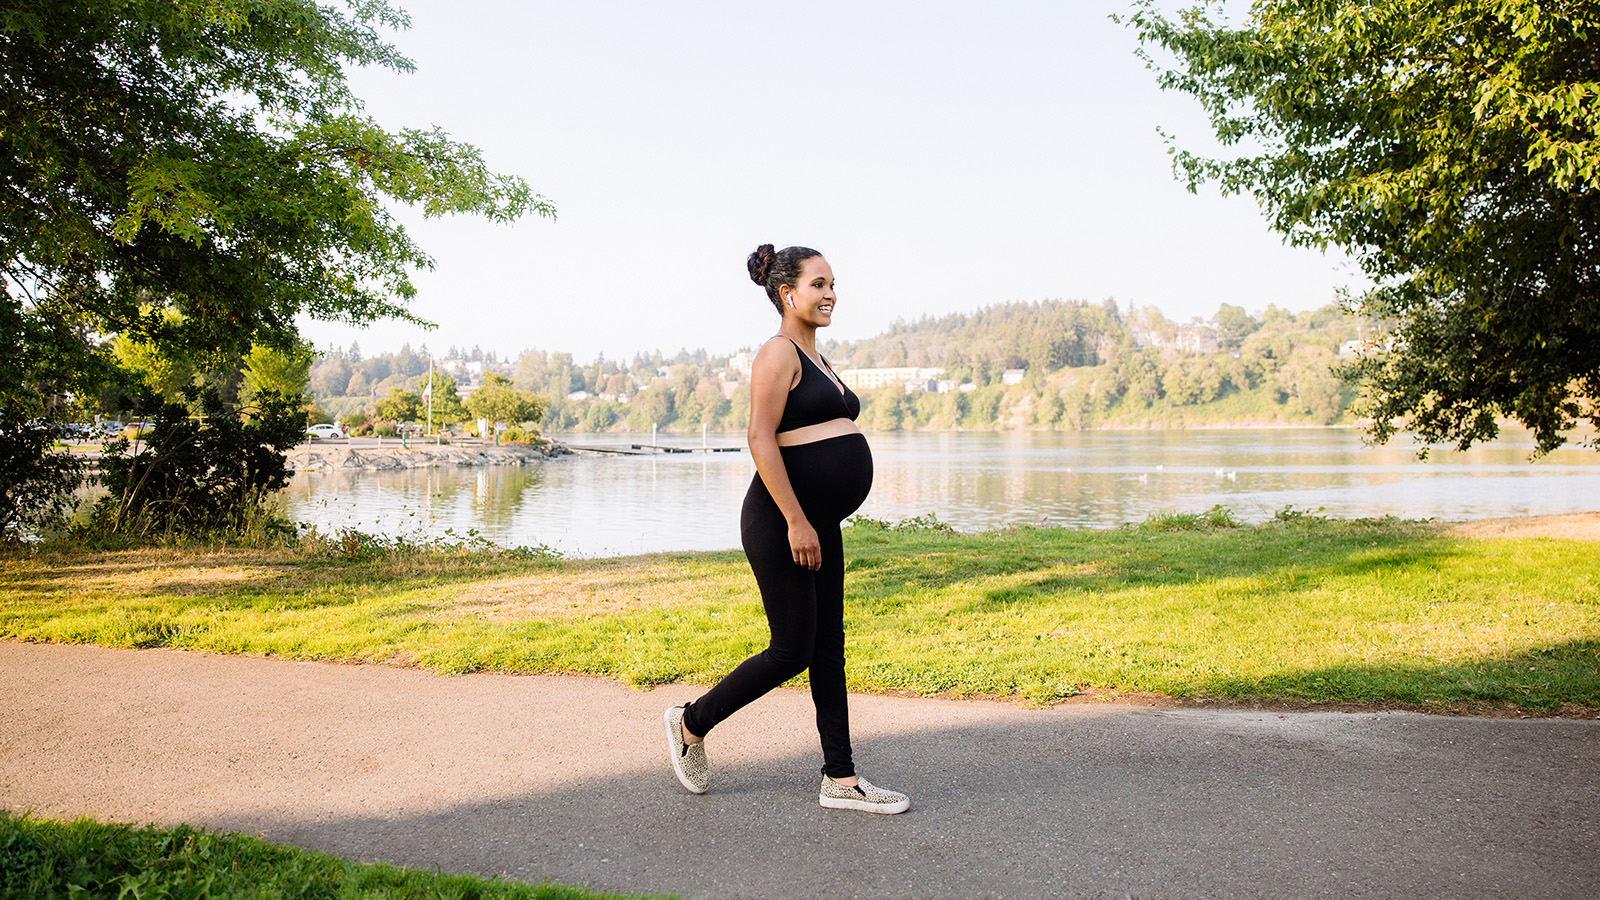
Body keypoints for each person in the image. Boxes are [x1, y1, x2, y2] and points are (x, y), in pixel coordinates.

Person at [663, 244, 909, 815]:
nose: (830, 294)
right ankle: (690, 722)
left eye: (833, 285)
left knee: (829, 646)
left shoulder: (817, 356)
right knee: (792, 648)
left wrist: (817, 515)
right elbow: (759, 437)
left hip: (817, 520)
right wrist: (797, 519)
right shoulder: (777, 353)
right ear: (787, 293)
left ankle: (840, 779)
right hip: (782, 519)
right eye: (818, 284)